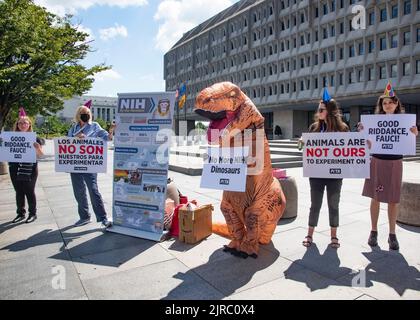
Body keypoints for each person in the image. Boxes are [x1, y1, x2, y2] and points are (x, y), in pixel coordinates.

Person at [359, 84, 418, 250]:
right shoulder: (374, 122)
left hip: (395, 162)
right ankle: (373, 231)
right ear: (382, 106)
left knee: (393, 199)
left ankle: (392, 235)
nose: (387, 105)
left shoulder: (406, 122)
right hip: (377, 161)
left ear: (396, 103)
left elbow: (409, 140)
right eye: (384, 103)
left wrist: (415, 133)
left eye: (390, 102)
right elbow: (366, 141)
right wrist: (363, 131)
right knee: (375, 197)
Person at [302, 89, 349, 248]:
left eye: (321, 109)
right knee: (315, 204)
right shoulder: (314, 128)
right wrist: (302, 142)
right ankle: (309, 234)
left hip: (335, 174)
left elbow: (349, 150)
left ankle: (334, 236)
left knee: (333, 204)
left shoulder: (343, 129)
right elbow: (305, 148)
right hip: (316, 173)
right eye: (318, 109)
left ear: (330, 111)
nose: (318, 112)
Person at [68, 105, 115, 227]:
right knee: (79, 191)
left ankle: (103, 217)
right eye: (83, 112)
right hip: (76, 163)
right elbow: (67, 143)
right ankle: (84, 217)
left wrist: (111, 131)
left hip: (91, 164)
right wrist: (75, 138)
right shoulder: (74, 128)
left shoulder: (95, 126)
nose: (86, 114)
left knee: (93, 190)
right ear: (78, 114)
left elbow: (106, 138)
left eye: (88, 112)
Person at [8, 108, 44, 223]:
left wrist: (38, 148)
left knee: (29, 190)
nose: (23, 124)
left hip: (30, 168)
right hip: (14, 168)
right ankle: (20, 213)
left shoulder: (35, 138)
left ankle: (33, 213)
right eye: (20, 123)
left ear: (29, 125)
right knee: (18, 191)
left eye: (25, 123)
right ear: (17, 125)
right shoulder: (10, 138)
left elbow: (41, 155)